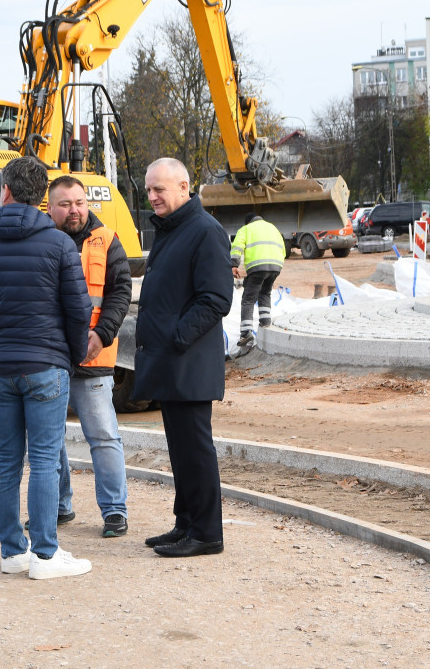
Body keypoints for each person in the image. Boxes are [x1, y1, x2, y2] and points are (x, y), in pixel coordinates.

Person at [0, 157, 94, 580]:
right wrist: (68, 357)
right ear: (42, 195)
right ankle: (46, 557)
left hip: (1, 368)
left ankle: (13, 553)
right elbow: (79, 309)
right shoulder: (59, 244)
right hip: (46, 366)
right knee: (45, 458)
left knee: (7, 460)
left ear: (7, 192)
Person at [134, 157, 233, 558]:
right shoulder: (173, 229)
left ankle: (206, 532)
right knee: (180, 450)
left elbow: (215, 299)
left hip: (188, 363)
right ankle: (186, 523)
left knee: (195, 449)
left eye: (160, 189)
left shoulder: (204, 231)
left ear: (183, 187)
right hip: (171, 363)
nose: (153, 196)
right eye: (149, 190)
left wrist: (176, 337)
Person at [46, 174, 132, 538]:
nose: (74, 210)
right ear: (49, 208)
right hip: (50, 358)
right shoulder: (40, 242)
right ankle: (59, 507)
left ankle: (114, 511)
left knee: (104, 436)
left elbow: (120, 291)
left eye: (79, 202)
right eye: (65, 204)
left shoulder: (108, 240)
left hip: (94, 357)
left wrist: (103, 333)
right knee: (49, 440)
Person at [230, 213, 285, 348]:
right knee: (265, 293)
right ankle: (265, 321)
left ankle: (246, 332)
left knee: (248, 298)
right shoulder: (272, 227)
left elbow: (237, 247)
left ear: (248, 222)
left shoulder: (246, 229)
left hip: (257, 266)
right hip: (276, 265)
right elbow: (283, 248)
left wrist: (234, 265)